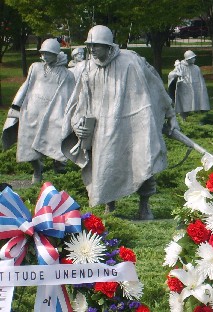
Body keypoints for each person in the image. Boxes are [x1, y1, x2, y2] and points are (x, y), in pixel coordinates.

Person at [61, 25, 180, 220]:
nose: (92, 51)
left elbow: (155, 85)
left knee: (143, 160)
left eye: (96, 46)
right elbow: (80, 100)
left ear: (108, 46)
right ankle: (110, 206)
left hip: (135, 122)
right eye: (90, 46)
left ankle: (144, 205)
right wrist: (78, 124)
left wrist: (171, 114)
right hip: (102, 127)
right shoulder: (88, 67)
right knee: (105, 164)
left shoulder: (130, 61)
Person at [2, 38, 75, 183]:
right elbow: (26, 86)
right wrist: (16, 105)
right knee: (27, 148)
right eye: (44, 53)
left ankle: (59, 170)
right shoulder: (35, 67)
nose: (46, 56)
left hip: (53, 116)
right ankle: (37, 169)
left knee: (54, 145)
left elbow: (69, 97)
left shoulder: (66, 74)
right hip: (31, 113)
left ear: (56, 54)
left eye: (49, 54)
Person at [168, 50, 210, 120]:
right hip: (184, 91)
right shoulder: (180, 66)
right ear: (188, 59)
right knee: (185, 107)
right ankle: (183, 120)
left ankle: (196, 119)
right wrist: (176, 74)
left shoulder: (196, 68)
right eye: (193, 58)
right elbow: (170, 75)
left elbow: (201, 81)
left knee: (195, 106)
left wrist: (201, 91)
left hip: (195, 90)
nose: (194, 59)